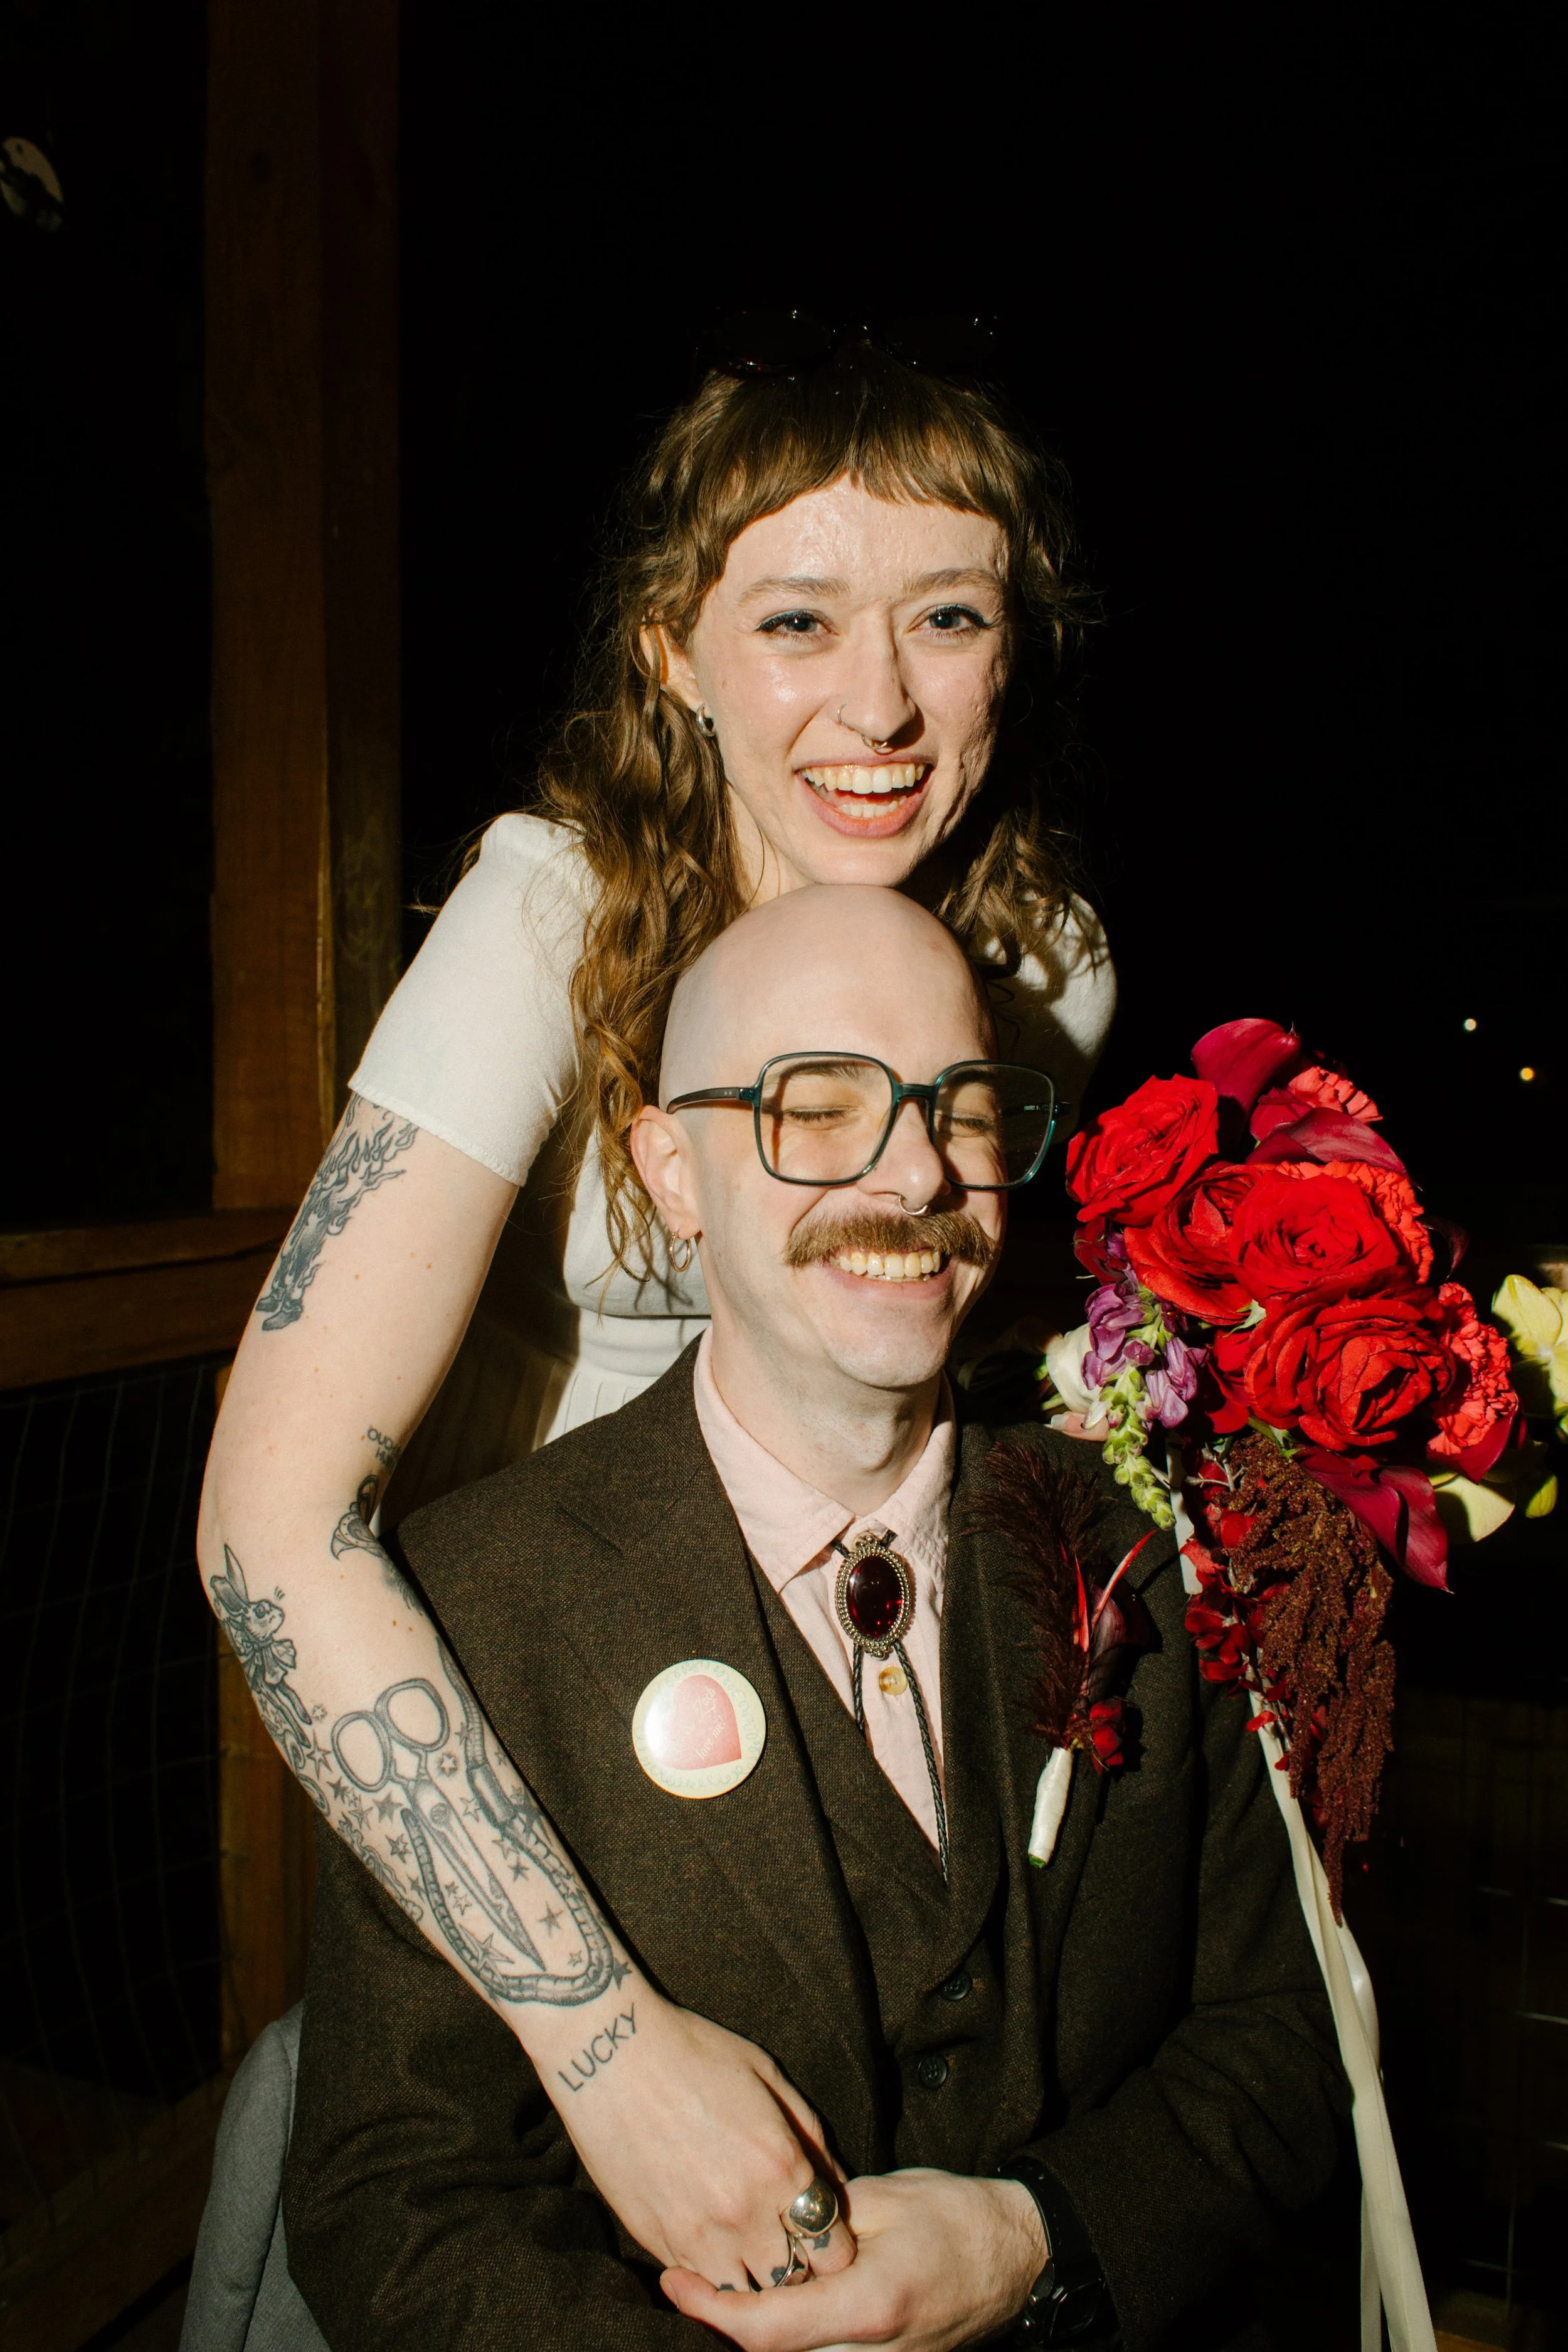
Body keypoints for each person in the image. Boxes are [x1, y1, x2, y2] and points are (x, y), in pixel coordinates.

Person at [198, 335, 1116, 2282]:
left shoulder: (1042, 971)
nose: (878, 701)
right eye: (797, 617)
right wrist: (598, 2040)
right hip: (509, 1699)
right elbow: (267, 1528)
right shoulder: (552, 915)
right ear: (668, 652)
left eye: (945, 614)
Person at [279, 887, 1343, 2352]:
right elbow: (391, 2198)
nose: (913, 1175)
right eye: (819, 1106)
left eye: (961, 1110)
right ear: (671, 1172)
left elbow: (1280, 2046)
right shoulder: (476, 1607)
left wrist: (1036, 2238)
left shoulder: (1152, 1546)